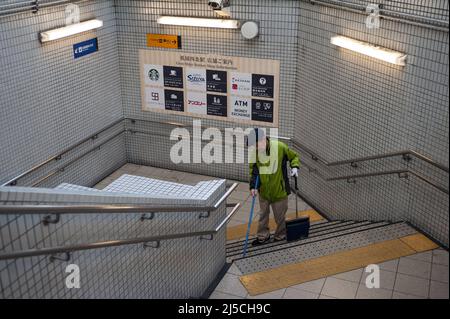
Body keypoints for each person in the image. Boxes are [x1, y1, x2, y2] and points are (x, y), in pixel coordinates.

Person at [247, 128, 300, 245]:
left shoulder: (280, 147)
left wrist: (295, 166)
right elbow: (254, 171)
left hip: (279, 191)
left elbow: (294, 157)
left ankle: (280, 235)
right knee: (263, 216)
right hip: (264, 191)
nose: (256, 148)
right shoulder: (255, 153)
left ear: (263, 139)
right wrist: (253, 187)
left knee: (280, 217)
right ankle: (263, 236)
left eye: (256, 145)